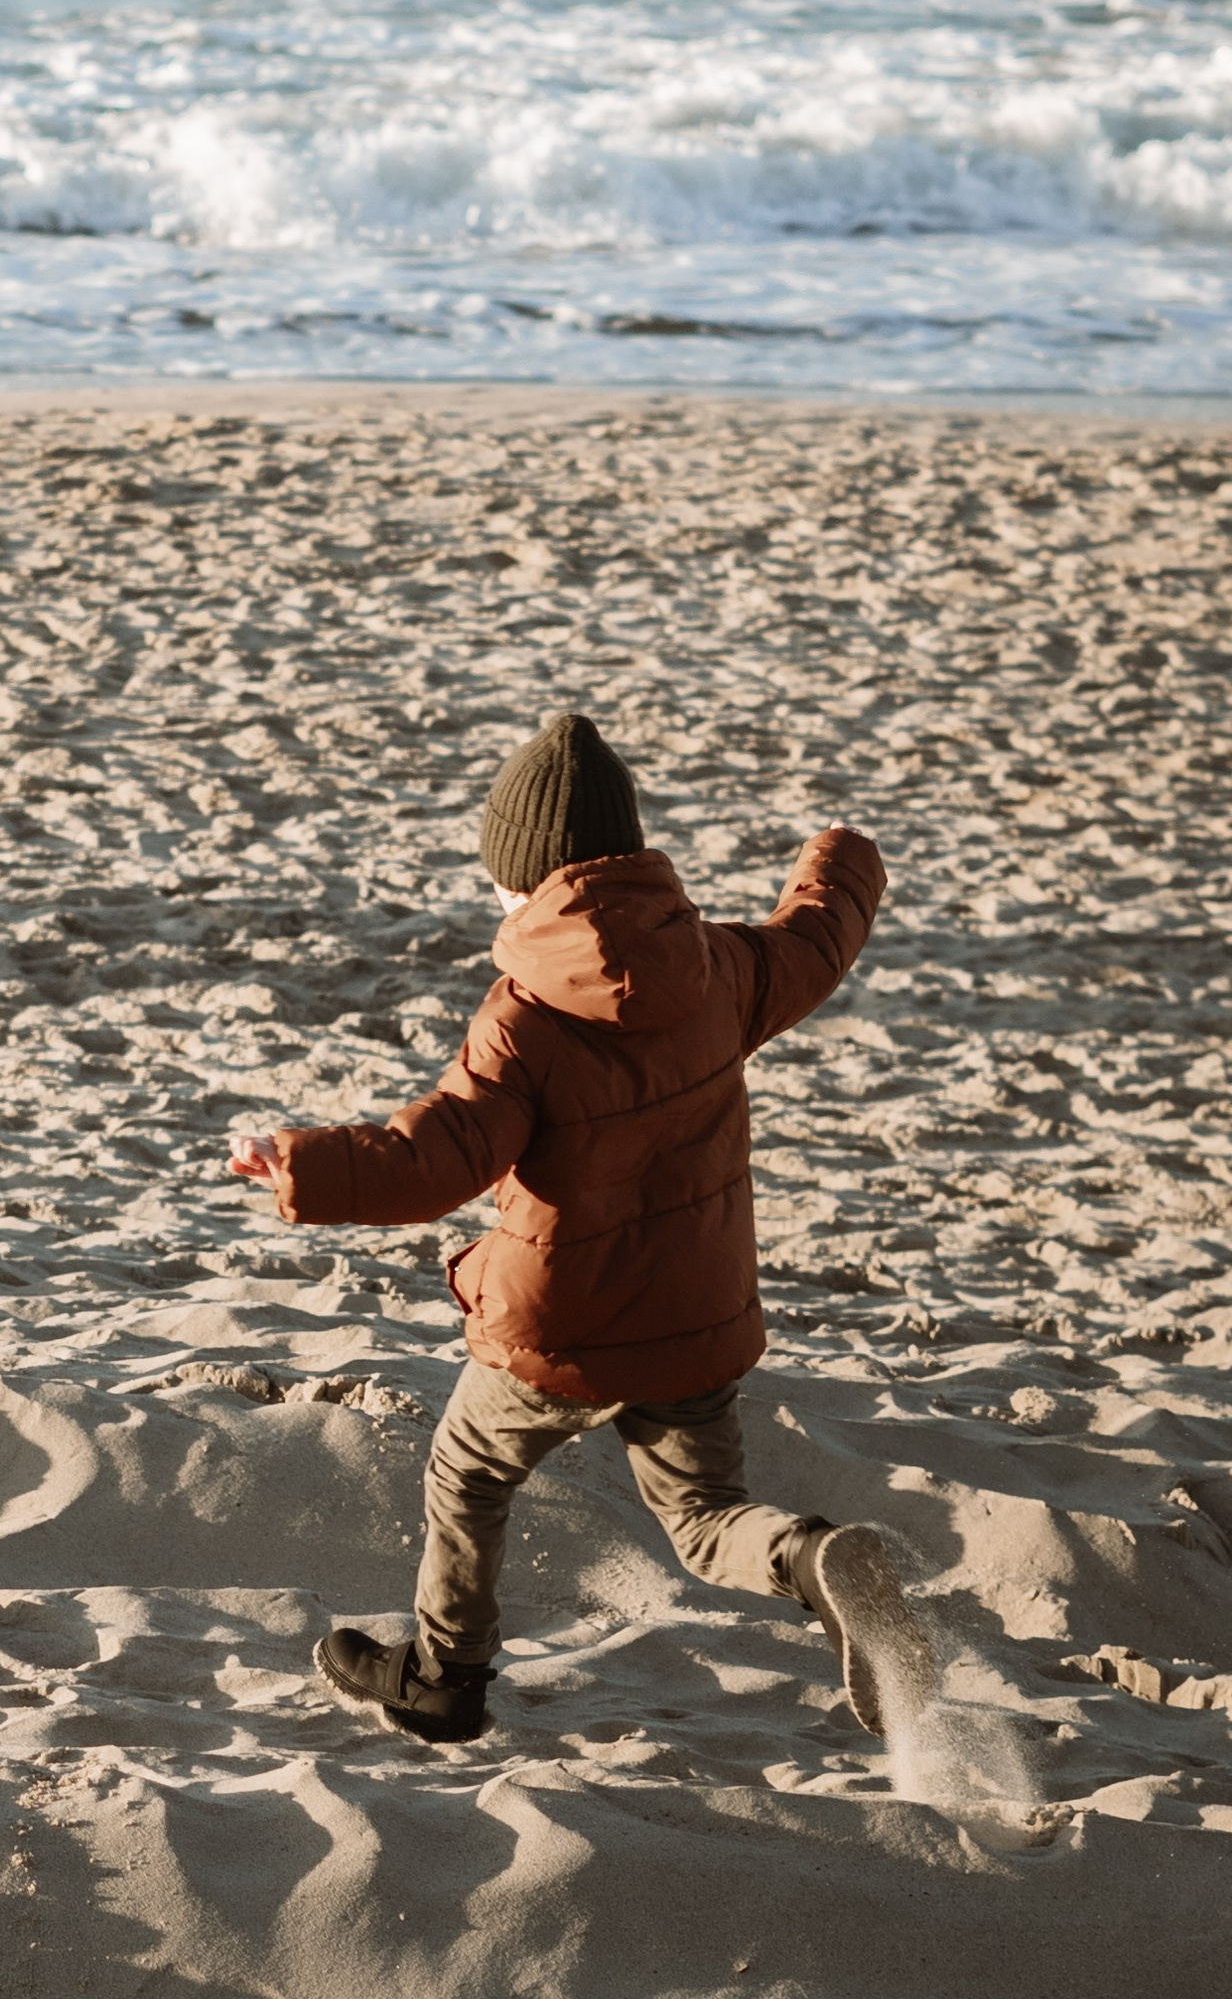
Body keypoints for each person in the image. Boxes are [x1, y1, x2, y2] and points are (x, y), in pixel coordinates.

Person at [232, 707, 929, 1746]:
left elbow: (441, 1158)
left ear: (528, 883)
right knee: (703, 1518)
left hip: (564, 1326)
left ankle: (441, 1677)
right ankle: (810, 1559)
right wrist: (841, 858)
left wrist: (307, 1164)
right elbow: (815, 943)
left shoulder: (523, 1019)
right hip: (693, 1307)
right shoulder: (718, 968)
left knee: (465, 1473)